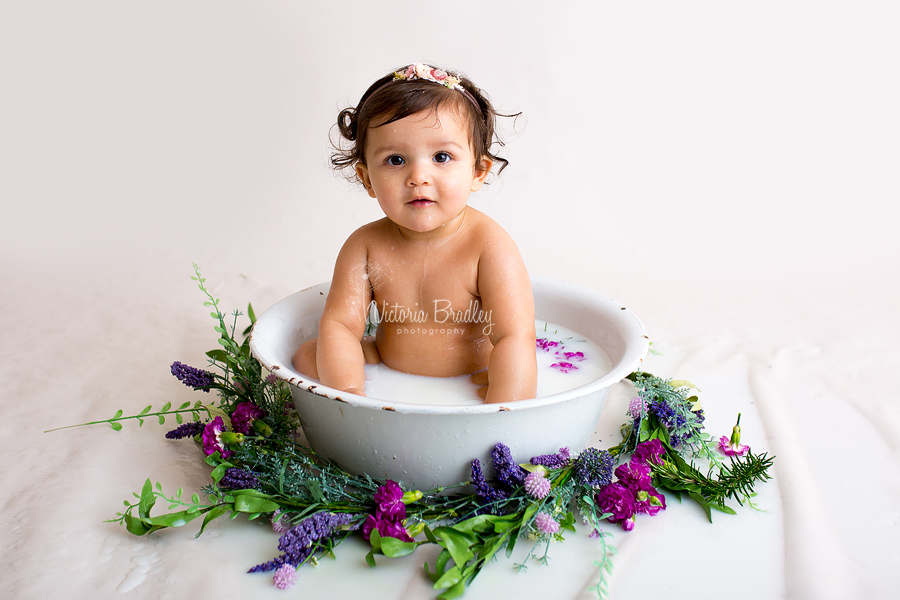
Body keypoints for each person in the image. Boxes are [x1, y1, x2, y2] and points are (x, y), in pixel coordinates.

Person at [292, 63, 536, 403]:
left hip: (471, 383)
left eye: (441, 156)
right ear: (367, 179)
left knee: (513, 371)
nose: (418, 176)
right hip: (387, 369)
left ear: (478, 171)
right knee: (309, 353)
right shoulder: (365, 246)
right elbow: (342, 326)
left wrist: (505, 406)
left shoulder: (489, 247)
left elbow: (515, 337)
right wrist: (350, 392)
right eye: (395, 160)